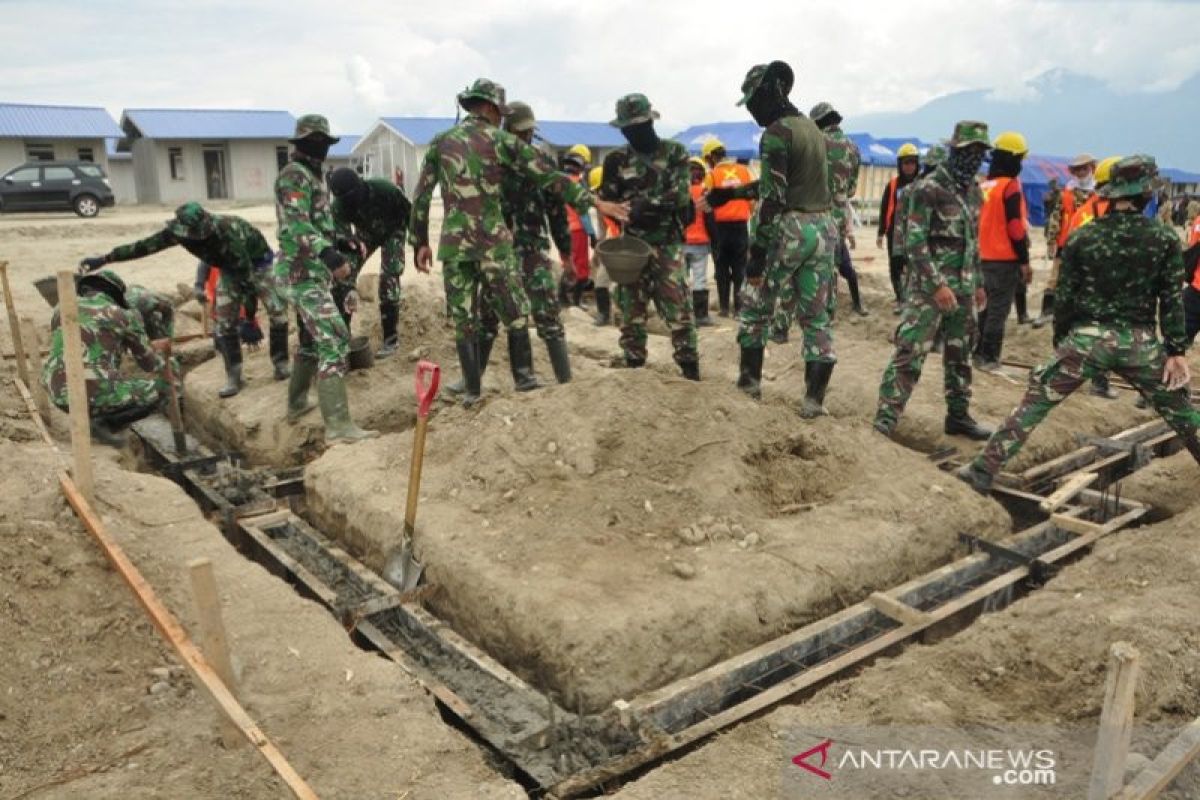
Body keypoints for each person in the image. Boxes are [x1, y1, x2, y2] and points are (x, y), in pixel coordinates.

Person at [957, 155, 1200, 492]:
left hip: (1085, 341)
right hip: (1141, 344)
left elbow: (1065, 299)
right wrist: (1175, 350)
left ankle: (983, 470)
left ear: (1112, 195)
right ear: (1147, 194)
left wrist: (1063, 342)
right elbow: (1171, 301)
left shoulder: (1083, 237)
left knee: (1034, 403)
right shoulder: (1163, 239)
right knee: (1181, 412)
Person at [409, 79, 627, 406]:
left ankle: (471, 391)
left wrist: (420, 241)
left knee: (465, 319)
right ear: (491, 108)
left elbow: (421, 196)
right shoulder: (499, 140)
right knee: (515, 313)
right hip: (492, 243)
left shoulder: (441, 142)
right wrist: (595, 203)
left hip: (454, 245)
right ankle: (524, 380)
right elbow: (549, 177)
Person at [716, 61, 837, 416]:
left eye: (753, 100)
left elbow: (773, 196)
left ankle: (749, 386)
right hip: (822, 229)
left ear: (769, 93)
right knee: (815, 317)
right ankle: (814, 402)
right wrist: (735, 193)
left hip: (789, 229)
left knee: (755, 305)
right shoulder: (812, 130)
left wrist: (757, 255)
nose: (753, 109)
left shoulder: (776, 133)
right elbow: (789, 181)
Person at [79, 202, 288, 396]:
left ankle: (281, 363)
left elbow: (246, 280)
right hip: (228, 269)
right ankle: (234, 376)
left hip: (258, 264)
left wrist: (250, 317)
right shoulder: (179, 233)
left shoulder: (226, 232)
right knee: (224, 323)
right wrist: (106, 258)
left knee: (278, 312)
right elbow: (144, 246)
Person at [874, 121, 994, 441]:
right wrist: (937, 284)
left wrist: (979, 283)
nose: (976, 158)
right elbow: (914, 243)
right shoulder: (928, 189)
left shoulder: (975, 193)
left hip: (965, 287)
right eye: (970, 151)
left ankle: (958, 416)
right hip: (929, 289)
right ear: (955, 151)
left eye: (981, 153)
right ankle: (886, 417)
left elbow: (973, 243)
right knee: (911, 350)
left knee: (961, 354)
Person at [276, 113, 376, 441]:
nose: (318, 148)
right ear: (301, 145)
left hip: (309, 274)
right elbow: (297, 224)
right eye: (312, 143)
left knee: (310, 339)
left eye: (322, 143)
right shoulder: (294, 176)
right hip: (300, 274)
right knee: (334, 339)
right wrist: (328, 254)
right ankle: (338, 427)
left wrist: (342, 240)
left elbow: (319, 221)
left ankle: (296, 403)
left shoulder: (312, 175)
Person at [597, 93, 699, 379]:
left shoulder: (675, 153)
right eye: (627, 129)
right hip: (632, 248)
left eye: (637, 127)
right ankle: (634, 371)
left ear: (649, 124)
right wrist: (620, 210)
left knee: (678, 308)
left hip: (668, 244)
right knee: (630, 311)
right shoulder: (616, 160)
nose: (632, 132)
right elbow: (608, 198)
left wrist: (646, 204)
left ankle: (690, 370)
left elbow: (680, 195)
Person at [478, 100, 576, 383]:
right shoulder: (490, 163)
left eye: (529, 132)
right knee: (487, 315)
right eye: (520, 132)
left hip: (532, 249)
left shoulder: (541, 162)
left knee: (548, 314)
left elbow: (556, 211)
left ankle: (566, 382)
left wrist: (566, 251)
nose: (526, 137)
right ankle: (473, 382)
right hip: (497, 252)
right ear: (506, 130)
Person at [41, 270, 175, 446]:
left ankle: (98, 412)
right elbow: (149, 365)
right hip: (89, 393)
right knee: (162, 390)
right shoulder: (124, 315)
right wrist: (159, 351)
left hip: (57, 391)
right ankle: (104, 422)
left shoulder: (61, 308)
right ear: (115, 295)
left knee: (105, 374)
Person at [771, 100, 867, 342]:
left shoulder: (814, 143)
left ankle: (781, 327)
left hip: (810, 213)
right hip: (838, 214)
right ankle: (825, 321)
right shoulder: (853, 148)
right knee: (829, 269)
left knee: (795, 270)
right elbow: (853, 189)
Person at [327, 167, 411, 358]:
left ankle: (390, 340)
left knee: (389, 277)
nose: (350, 203)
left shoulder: (384, 189)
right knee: (343, 275)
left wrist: (419, 242)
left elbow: (410, 213)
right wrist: (351, 244)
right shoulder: (339, 206)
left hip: (393, 231)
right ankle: (342, 337)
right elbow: (341, 236)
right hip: (365, 235)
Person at [973, 131, 1032, 371]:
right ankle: (989, 357)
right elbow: (1015, 227)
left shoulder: (984, 186)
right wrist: (1024, 259)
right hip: (1004, 259)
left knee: (983, 308)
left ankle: (977, 353)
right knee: (998, 310)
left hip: (981, 258)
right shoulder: (1010, 186)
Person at [1035, 153, 1096, 327]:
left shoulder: (1098, 195)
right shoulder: (1066, 194)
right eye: (1078, 170)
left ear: (1092, 169)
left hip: (1090, 245)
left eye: (1084, 169)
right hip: (1066, 244)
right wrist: (1051, 240)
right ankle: (1046, 311)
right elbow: (1056, 218)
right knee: (1055, 279)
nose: (1081, 173)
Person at [701, 138, 754, 318]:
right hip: (740, 227)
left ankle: (724, 308)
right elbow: (752, 200)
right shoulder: (744, 171)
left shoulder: (712, 175)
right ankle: (739, 309)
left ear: (710, 158)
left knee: (721, 268)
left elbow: (706, 203)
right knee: (740, 268)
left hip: (719, 229)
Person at [878, 143, 921, 311]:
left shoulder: (923, 184)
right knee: (896, 265)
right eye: (906, 163)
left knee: (914, 266)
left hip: (916, 233)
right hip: (894, 233)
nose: (909, 166)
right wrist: (881, 232)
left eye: (912, 162)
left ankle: (912, 299)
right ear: (900, 165)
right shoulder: (893, 185)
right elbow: (884, 208)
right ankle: (900, 298)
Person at [561, 145, 597, 307]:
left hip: (562, 230)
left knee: (568, 263)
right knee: (581, 267)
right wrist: (592, 234)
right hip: (577, 230)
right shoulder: (578, 184)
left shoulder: (559, 181)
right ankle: (576, 301)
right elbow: (583, 213)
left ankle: (563, 299)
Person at [684, 157, 716, 326]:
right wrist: (714, 239)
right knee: (700, 279)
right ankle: (701, 316)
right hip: (701, 242)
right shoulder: (705, 193)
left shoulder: (681, 191)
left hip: (681, 242)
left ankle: (681, 314)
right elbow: (710, 219)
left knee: (680, 279)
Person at [589, 165, 620, 326]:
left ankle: (624, 317)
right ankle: (603, 315)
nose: (597, 194)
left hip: (627, 246)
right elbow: (602, 231)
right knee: (600, 282)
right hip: (611, 245)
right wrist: (596, 253)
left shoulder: (621, 200)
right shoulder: (601, 207)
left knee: (624, 286)